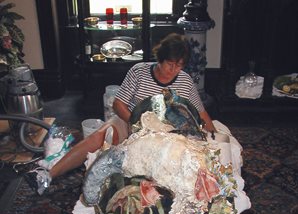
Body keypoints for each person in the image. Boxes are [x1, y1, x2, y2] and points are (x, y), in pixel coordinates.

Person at [30, 33, 216, 193]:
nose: (174, 70)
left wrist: (214, 134)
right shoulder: (139, 72)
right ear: (160, 58)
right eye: (170, 64)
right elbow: (119, 104)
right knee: (100, 136)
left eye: (179, 66)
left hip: (168, 132)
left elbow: (200, 112)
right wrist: (138, 124)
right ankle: (48, 174)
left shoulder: (184, 80)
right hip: (132, 121)